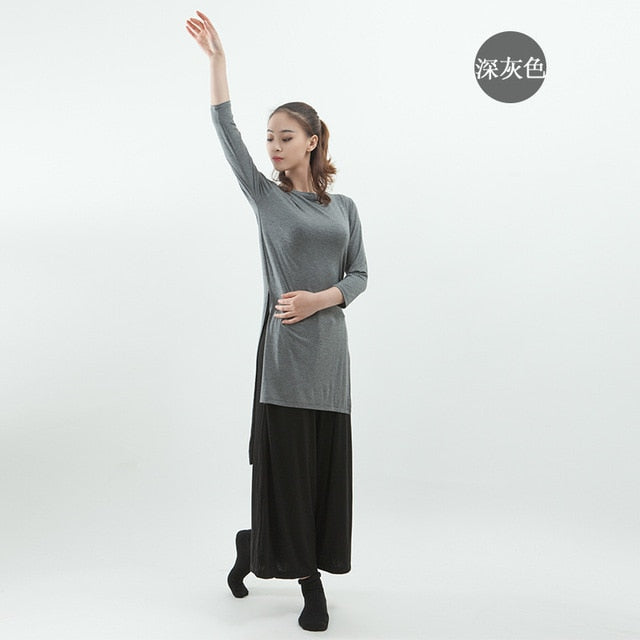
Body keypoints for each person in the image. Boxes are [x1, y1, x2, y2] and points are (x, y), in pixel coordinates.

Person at [186, 11, 368, 632]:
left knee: (321, 480)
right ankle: (309, 587)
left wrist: (321, 299)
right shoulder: (267, 197)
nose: (273, 146)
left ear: (312, 141)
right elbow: (225, 128)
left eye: (285, 136)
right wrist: (218, 62)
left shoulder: (345, 207)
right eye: (269, 137)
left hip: (331, 363)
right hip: (285, 361)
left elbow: (359, 276)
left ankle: (252, 547)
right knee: (289, 477)